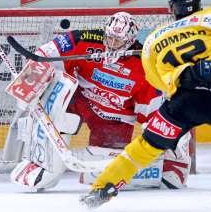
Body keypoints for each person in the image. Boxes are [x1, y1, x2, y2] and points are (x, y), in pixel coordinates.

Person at [79, 0, 211, 209]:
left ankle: (102, 187)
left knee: (146, 146)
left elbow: (158, 83)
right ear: (198, 1)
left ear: (173, 8)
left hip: (182, 105)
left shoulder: (153, 39)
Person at [10, 12, 166, 191]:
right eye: (109, 37)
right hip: (80, 100)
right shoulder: (83, 39)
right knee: (56, 103)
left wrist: (160, 140)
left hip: (116, 117)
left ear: (130, 41)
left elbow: (152, 110)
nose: (111, 44)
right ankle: (44, 164)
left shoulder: (145, 65)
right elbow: (43, 55)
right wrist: (28, 81)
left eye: (118, 41)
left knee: (102, 175)